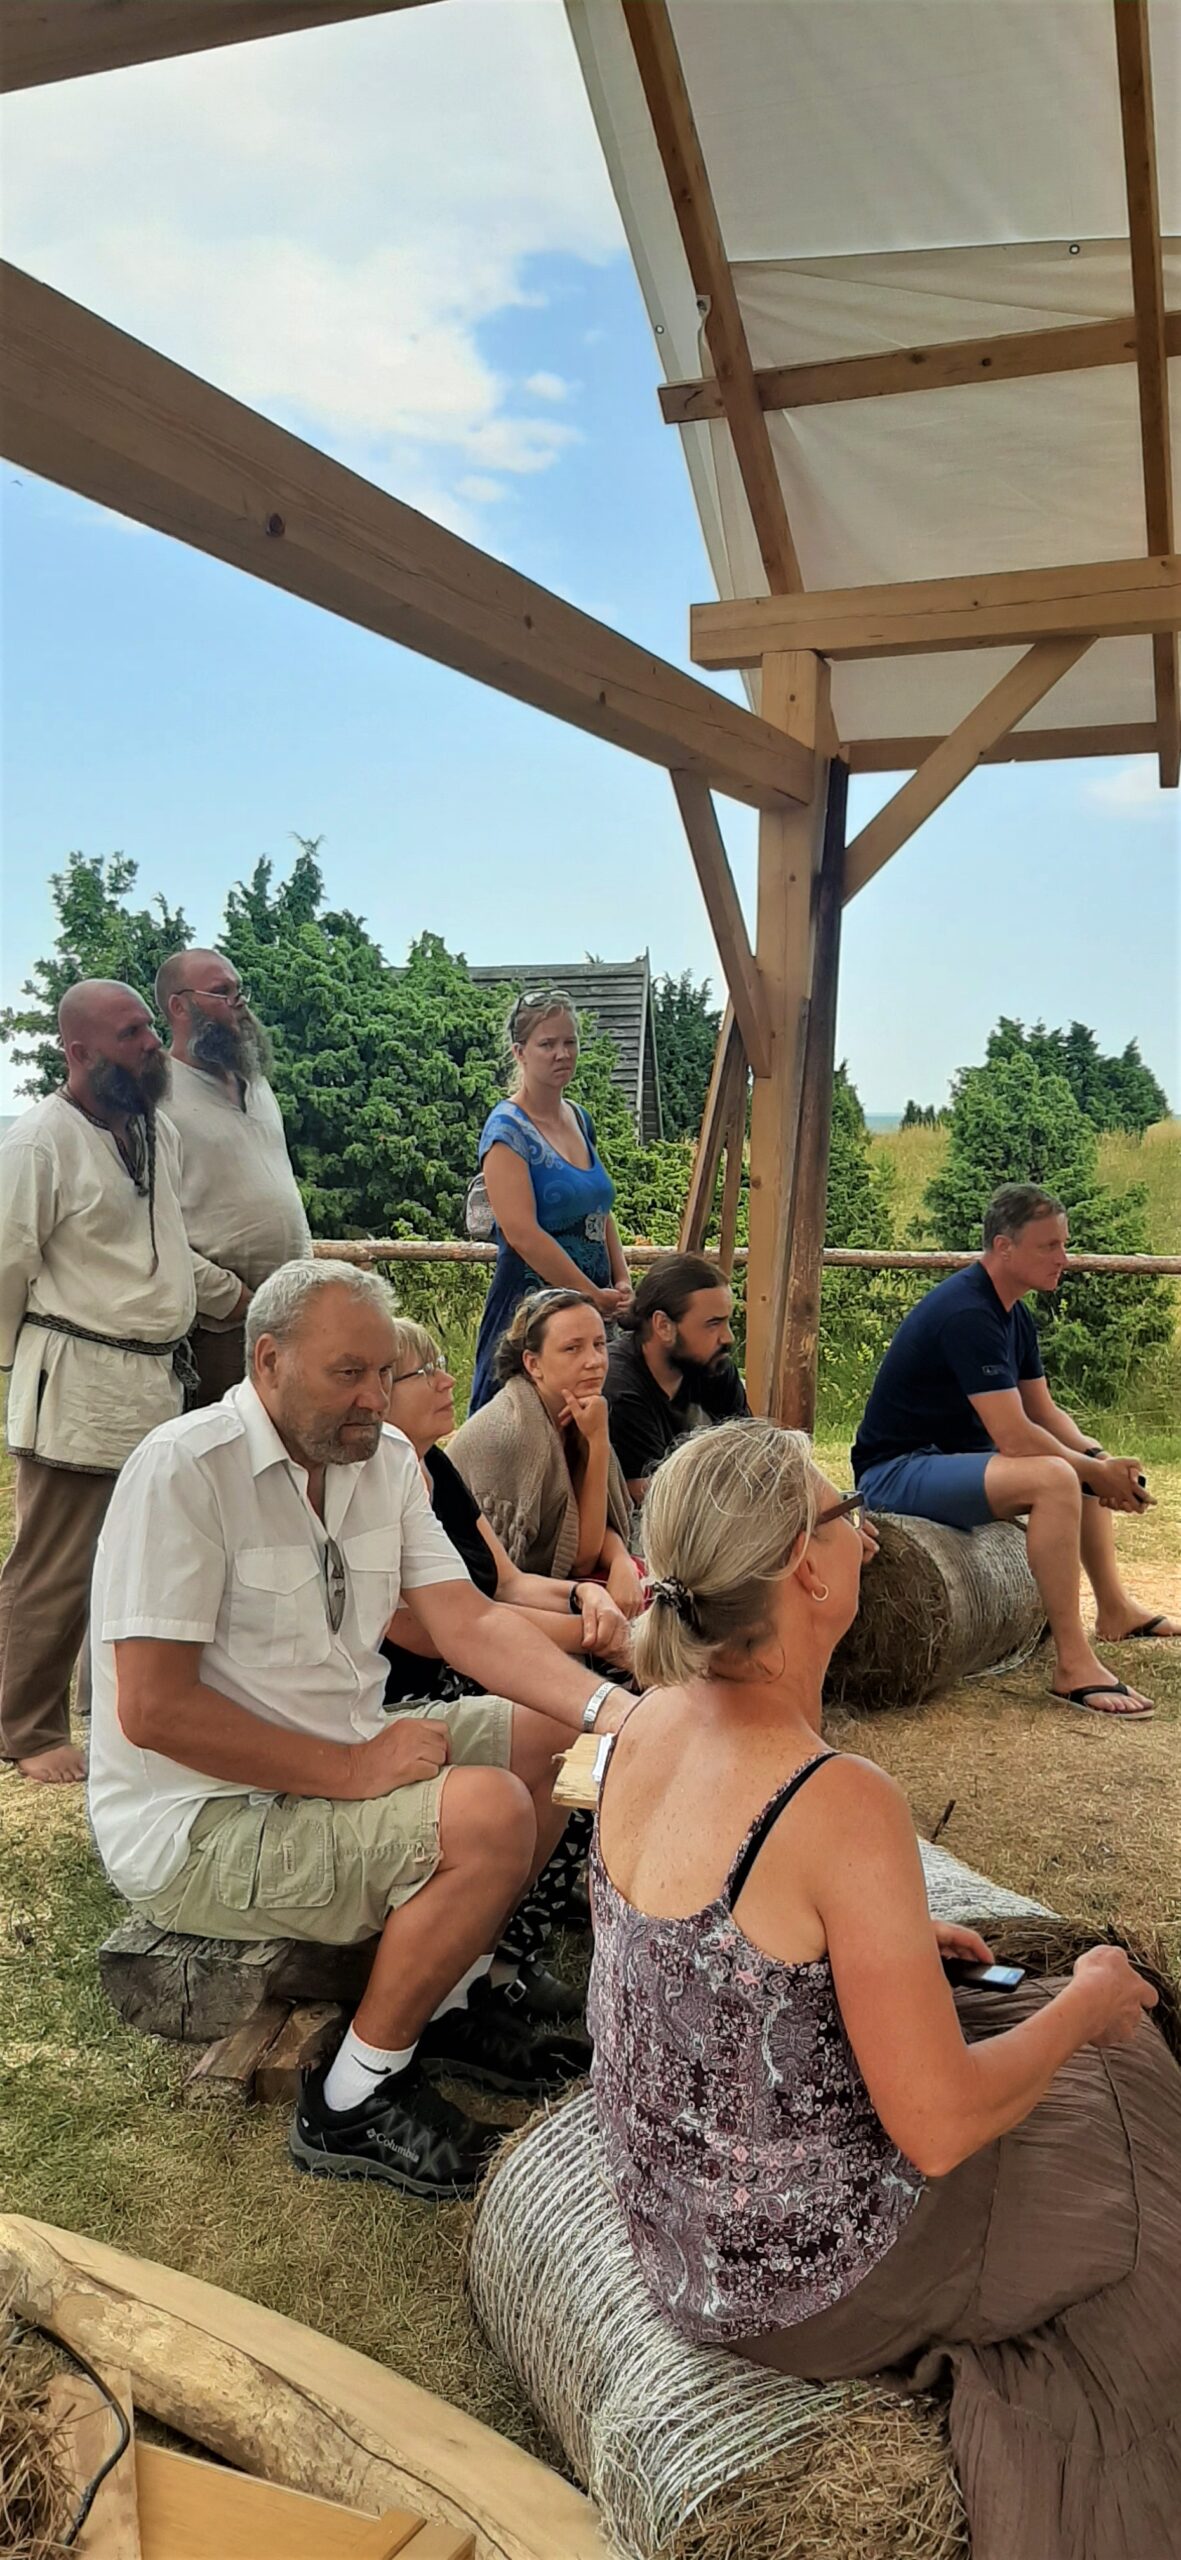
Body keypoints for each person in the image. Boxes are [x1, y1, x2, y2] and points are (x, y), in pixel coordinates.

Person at [589, 1421, 1181, 2560]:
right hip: (804, 2284)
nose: (864, 1535)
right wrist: (1087, 2004)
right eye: (843, 1515)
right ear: (802, 1571)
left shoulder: (641, 1721)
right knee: (1125, 2100)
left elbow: (679, 1974)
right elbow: (938, 2125)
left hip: (684, 2244)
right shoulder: (834, 1798)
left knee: (1018, 2026)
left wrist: (877, 1946)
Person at [87, 1261, 631, 2200]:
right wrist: (353, 1767)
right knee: (489, 1813)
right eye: (349, 1374)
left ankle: (454, 2002)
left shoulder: (378, 1463)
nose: (376, 1398)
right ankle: (350, 2097)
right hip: (200, 1821)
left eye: (384, 1372)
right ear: (267, 1361)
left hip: (341, 1757)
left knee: (551, 1735)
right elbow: (154, 1710)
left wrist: (617, 1712)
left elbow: (468, 1622)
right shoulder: (185, 1469)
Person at [0, 980, 249, 1785]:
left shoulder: (152, 1130)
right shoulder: (38, 1143)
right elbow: (6, 1264)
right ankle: (25, 1728)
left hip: (152, 1380)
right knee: (57, 1562)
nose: (149, 1045)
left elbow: (166, 1245)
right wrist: (14, 1364)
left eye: (147, 1027)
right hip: (76, 1377)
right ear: (79, 1051)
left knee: (144, 1556)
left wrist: (238, 1299)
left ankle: (112, 1707)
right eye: (129, 1034)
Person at [850, 1182, 1177, 1719]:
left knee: (1081, 1458)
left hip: (944, 1463)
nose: (1064, 1258)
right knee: (1058, 1476)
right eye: (1049, 1246)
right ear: (1004, 1247)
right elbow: (1016, 1437)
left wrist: (1098, 1461)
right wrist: (1090, 1471)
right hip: (895, 1471)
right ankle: (1073, 1665)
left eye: (1064, 1244)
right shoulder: (968, 1312)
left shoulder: (1012, 1312)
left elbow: (1043, 1412)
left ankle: (1115, 1610)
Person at [381, 1315, 634, 1702]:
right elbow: (447, 1630)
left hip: (486, 1657)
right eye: (425, 1372)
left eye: (600, 1344)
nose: (448, 1381)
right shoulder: (508, 1435)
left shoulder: (434, 1462)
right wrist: (596, 1632)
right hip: (426, 1691)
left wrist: (583, 1595)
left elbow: (509, 1582)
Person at [156, 948, 311, 1405]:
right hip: (216, 1331)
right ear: (179, 1006)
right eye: (221, 992)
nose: (239, 1002)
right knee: (224, 1445)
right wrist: (229, 1298)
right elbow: (151, 1229)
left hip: (287, 1314)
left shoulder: (257, 1084)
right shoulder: (154, 1096)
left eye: (239, 989)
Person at [468, 989, 632, 1414]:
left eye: (569, 1042)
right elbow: (521, 1233)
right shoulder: (506, 1131)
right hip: (532, 1315)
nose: (562, 1054)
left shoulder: (579, 1118)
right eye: (547, 1044)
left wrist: (621, 1280)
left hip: (592, 1312)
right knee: (526, 1425)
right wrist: (589, 1294)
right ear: (519, 1052)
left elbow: (600, 1209)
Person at [448, 1289, 642, 1616]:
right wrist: (597, 1443)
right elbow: (579, 1560)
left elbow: (592, 1530)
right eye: (572, 1348)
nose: (594, 1361)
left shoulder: (579, 1411)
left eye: (599, 1344)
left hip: (551, 1591)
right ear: (533, 1364)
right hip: (486, 1608)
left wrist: (622, 1560)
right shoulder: (511, 1435)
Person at [603, 1251, 750, 1503]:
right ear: (663, 1325)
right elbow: (648, 1495)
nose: (728, 1337)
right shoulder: (620, 1390)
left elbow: (751, 1453)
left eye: (726, 1322)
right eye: (713, 1324)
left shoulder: (712, 1366)